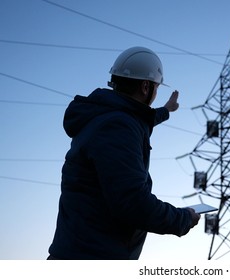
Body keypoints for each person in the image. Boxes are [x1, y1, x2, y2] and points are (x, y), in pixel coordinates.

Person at [48, 47, 200, 260]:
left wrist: (166, 110)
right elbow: (133, 203)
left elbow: (142, 119)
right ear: (146, 86)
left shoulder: (107, 116)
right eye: (156, 87)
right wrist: (183, 219)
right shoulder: (118, 127)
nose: (156, 93)